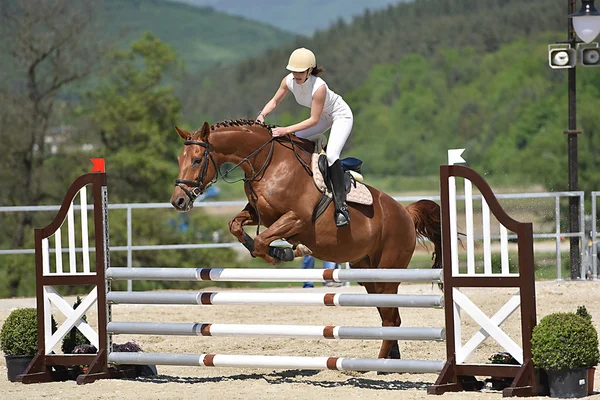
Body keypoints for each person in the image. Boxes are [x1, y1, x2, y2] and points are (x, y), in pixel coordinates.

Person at [256, 47, 354, 227]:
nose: (296, 75)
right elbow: (275, 101)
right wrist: (262, 115)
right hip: (321, 117)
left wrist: (286, 129)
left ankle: (342, 208)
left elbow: (313, 120)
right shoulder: (288, 81)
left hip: (340, 116)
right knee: (292, 143)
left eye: (300, 71)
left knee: (332, 155)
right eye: (293, 70)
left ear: (310, 70)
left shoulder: (319, 88)